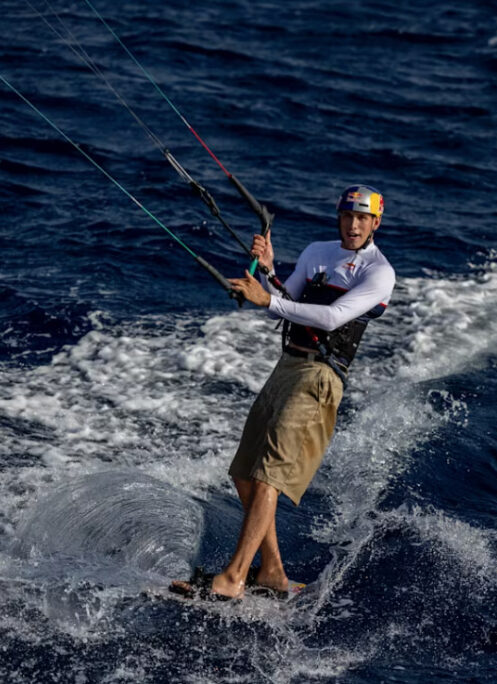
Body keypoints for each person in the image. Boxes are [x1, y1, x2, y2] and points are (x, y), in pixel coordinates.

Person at [196, 184, 396, 600]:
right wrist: (269, 272)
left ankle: (233, 578)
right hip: (287, 367)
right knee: (244, 472)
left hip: (321, 377)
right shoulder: (317, 251)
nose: (353, 225)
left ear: (376, 223)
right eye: (347, 216)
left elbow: (331, 317)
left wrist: (266, 300)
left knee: (269, 477)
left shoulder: (379, 272)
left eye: (362, 218)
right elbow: (290, 298)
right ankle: (271, 571)